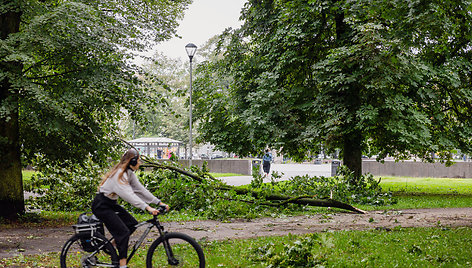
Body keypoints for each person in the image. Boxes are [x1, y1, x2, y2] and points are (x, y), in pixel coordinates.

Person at [92, 148, 169, 268]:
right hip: (101, 206)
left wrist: (158, 202)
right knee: (123, 233)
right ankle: (122, 265)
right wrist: (147, 208)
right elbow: (130, 196)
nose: (140, 163)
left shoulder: (128, 173)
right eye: (138, 160)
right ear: (132, 162)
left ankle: (111, 246)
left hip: (110, 204)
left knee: (131, 224)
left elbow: (140, 190)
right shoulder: (119, 176)